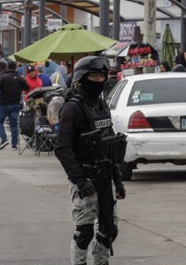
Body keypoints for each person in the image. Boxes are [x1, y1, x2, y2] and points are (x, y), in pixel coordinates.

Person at [53, 56, 126, 265]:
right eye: (94, 75)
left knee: (109, 229)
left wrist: (117, 180)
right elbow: (62, 148)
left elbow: (109, 145)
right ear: (81, 78)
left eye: (103, 75)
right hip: (85, 178)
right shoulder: (72, 109)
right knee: (84, 231)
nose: (99, 79)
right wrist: (80, 180)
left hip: (105, 177)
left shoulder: (101, 105)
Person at [0, 61, 28, 150]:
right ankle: (14, 145)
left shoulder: (3, 77)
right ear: (16, 67)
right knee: (13, 124)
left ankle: (4, 139)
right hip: (15, 104)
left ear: (7, 67)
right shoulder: (19, 78)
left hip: (4, 104)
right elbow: (26, 88)